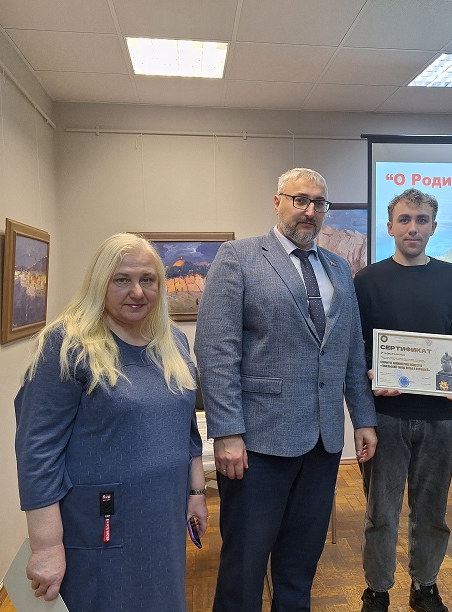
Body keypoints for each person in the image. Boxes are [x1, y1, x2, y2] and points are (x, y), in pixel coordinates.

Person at [194, 167, 378, 612]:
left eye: (319, 203)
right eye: (300, 200)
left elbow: (350, 349)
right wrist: (227, 432)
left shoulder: (338, 267)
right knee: (244, 567)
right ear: (277, 202)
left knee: (300, 566)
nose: (310, 211)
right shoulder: (238, 257)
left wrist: (364, 418)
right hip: (257, 445)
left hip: (322, 443)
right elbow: (216, 350)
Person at [14, 233, 207, 611]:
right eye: (122, 279)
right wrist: (46, 546)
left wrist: (196, 493)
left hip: (163, 515)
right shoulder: (68, 343)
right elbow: (37, 449)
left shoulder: (172, 342)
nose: (137, 291)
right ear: (100, 282)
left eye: (147, 279)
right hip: (101, 523)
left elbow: (185, 428)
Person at [354, 188, 452, 612]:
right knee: (381, 513)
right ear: (390, 227)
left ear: (433, 227)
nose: (413, 228)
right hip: (386, 415)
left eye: (421, 220)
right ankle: (377, 588)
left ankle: (425, 584)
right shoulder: (367, 280)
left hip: (441, 417)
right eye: (404, 219)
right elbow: (357, 346)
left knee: (432, 513)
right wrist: (373, 372)